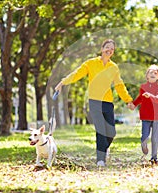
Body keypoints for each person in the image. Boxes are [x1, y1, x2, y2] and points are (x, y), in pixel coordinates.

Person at [54, 39, 133, 167]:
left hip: (107, 102)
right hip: (94, 101)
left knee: (111, 132)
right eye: (107, 47)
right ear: (102, 49)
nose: (109, 50)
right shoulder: (91, 63)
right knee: (100, 130)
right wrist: (63, 82)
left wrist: (128, 100)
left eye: (112, 49)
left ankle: (103, 149)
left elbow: (119, 85)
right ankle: (100, 159)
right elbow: (77, 73)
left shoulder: (114, 67)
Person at [129, 64, 158, 165]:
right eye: (150, 72)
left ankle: (154, 157)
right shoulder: (143, 87)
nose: (153, 74)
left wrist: (150, 96)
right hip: (145, 115)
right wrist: (133, 105)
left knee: (155, 138)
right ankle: (143, 145)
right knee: (144, 135)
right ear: (147, 76)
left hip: (156, 116)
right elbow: (140, 98)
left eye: (155, 73)